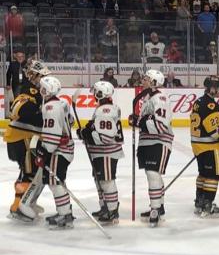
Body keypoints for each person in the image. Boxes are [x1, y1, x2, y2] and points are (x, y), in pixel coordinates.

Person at [19, 76, 75, 228]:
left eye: (42, 87)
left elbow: (53, 136)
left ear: (47, 90)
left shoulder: (50, 108)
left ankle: (65, 215)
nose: (39, 89)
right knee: (56, 182)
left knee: (55, 183)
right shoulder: (60, 104)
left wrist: (43, 153)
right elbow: (70, 122)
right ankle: (65, 212)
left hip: (59, 150)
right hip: (64, 149)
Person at [4, 60, 50, 220]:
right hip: (21, 138)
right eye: (42, 76)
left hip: (24, 137)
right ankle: (18, 207)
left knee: (32, 172)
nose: (43, 79)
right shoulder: (29, 90)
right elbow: (18, 109)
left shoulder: (36, 91)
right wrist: (42, 118)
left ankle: (26, 202)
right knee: (29, 173)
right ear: (33, 75)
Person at [130, 69, 173, 227]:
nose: (143, 80)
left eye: (147, 78)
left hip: (159, 141)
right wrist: (137, 120)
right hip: (148, 142)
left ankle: (155, 209)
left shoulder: (160, 98)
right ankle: (158, 206)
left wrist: (141, 122)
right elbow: (146, 122)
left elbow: (160, 126)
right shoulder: (148, 98)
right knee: (152, 174)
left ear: (154, 82)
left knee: (153, 174)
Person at [77, 81, 124, 224]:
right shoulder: (104, 108)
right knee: (100, 180)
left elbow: (105, 137)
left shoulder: (106, 110)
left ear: (101, 93)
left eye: (95, 92)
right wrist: (86, 131)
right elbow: (96, 129)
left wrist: (87, 134)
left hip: (106, 152)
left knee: (107, 181)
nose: (93, 95)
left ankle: (112, 210)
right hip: (100, 152)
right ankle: (105, 207)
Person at [190, 76, 219, 217]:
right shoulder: (211, 106)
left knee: (203, 174)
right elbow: (216, 132)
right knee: (213, 175)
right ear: (212, 89)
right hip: (210, 147)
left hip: (198, 146)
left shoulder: (198, 102)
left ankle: (200, 201)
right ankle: (207, 205)